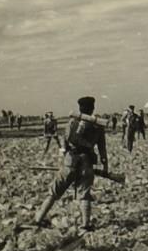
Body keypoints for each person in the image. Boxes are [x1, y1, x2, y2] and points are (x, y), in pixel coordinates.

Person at [34, 96, 108, 231]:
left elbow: (65, 141)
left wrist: (65, 152)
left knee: (54, 191)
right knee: (84, 194)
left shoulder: (72, 123)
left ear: (79, 108)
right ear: (92, 109)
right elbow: (102, 148)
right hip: (87, 162)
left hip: (70, 161)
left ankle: (39, 219)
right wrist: (105, 164)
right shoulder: (98, 126)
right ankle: (85, 224)